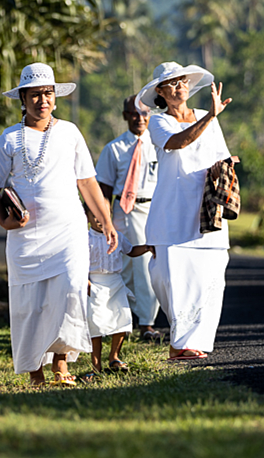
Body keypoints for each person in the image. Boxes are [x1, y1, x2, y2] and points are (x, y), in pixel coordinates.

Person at [0, 62, 117, 387]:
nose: (42, 100)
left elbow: (87, 182)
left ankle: (61, 362)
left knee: (70, 291)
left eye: (48, 93)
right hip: (25, 236)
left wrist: (106, 221)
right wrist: (5, 221)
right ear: (23, 99)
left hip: (68, 229)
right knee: (30, 304)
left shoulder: (70, 132)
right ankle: (35, 372)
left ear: (55, 96)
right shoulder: (9, 138)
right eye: (35, 94)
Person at [136, 61, 233, 361]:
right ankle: (179, 342)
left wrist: (227, 171)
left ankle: (192, 343)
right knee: (172, 278)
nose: (180, 87)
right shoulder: (158, 122)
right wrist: (212, 117)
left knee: (210, 277)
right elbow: (178, 142)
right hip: (172, 212)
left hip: (206, 209)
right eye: (172, 83)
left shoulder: (206, 116)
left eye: (183, 81)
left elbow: (223, 156)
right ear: (160, 92)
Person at [95, 95, 162, 341]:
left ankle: (147, 323)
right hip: (124, 211)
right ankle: (118, 321)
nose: (139, 118)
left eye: (144, 113)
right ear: (125, 116)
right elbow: (103, 189)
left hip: (152, 209)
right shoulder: (114, 149)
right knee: (121, 267)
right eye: (134, 113)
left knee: (146, 266)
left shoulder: (159, 145)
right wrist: (104, 221)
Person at [82, 202, 154, 381]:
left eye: (104, 214)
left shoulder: (118, 236)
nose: (100, 219)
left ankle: (114, 357)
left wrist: (146, 247)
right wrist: (85, 282)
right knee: (95, 325)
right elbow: (78, 262)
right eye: (95, 215)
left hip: (115, 283)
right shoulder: (84, 238)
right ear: (87, 217)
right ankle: (95, 366)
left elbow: (131, 251)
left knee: (121, 319)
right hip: (95, 284)